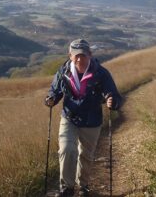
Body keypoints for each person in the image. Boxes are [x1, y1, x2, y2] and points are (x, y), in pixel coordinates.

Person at [45, 39, 122, 197]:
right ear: (70, 56)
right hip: (69, 118)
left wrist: (112, 101)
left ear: (90, 55)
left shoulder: (101, 73)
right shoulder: (63, 71)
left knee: (86, 155)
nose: (80, 59)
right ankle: (67, 188)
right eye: (76, 55)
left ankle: (83, 186)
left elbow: (113, 94)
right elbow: (55, 91)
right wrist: (50, 99)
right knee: (67, 150)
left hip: (91, 120)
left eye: (83, 55)